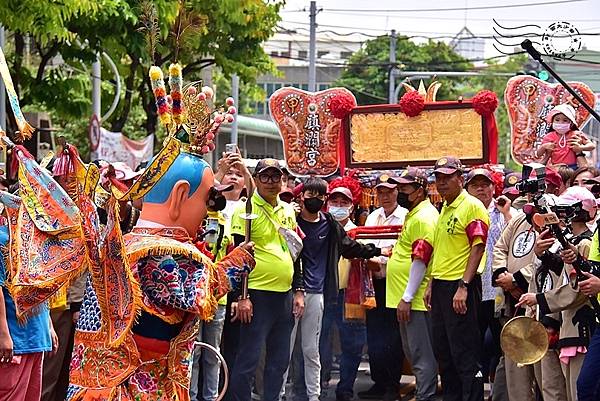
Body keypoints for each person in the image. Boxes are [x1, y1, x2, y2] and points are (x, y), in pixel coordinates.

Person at [283, 177, 387, 401]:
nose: (316, 199)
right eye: (312, 194)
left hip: (319, 294)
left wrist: (376, 249)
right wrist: (297, 288)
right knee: (287, 348)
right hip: (292, 294)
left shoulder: (329, 223)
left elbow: (350, 247)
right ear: (302, 197)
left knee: (312, 350)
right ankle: (281, 393)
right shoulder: (291, 221)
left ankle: (314, 396)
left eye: (321, 196)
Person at [228, 158, 304, 401]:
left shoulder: (288, 210)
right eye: (265, 177)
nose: (271, 182)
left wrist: (299, 290)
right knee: (248, 360)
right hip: (256, 296)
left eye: (276, 176)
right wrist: (242, 297)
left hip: (284, 295)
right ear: (257, 179)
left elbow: (295, 253)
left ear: (282, 179)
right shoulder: (245, 210)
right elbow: (237, 257)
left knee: (279, 361)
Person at [517, 186, 597, 401]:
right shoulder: (573, 243)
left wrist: (540, 300)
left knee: (579, 391)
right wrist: (542, 255)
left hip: (582, 328)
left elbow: (577, 288)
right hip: (568, 326)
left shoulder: (585, 244)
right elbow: (562, 275)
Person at [425, 156, 489, 401]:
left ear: (460, 179)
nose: (442, 183)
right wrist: (431, 282)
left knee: (464, 354)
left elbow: (478, 246)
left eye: (447, 177)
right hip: (441, 285)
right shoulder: (444, 208)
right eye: (438, 178)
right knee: (444, 352)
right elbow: (442, 250)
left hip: (460, 286)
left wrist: (464, 285)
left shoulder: (471, 206)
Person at [191, 154, 254, 401]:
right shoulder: (198, 218)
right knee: (194, 351)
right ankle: (192, 395)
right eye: (229, 175)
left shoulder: (237, 216)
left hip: (220, 296)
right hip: (195, 293)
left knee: (213, 351)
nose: (218, 196)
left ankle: (210, 397)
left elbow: (252, 196)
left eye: (238, 177)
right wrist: (220, 170)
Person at [386, 167, 439, 401]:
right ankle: (423, 391)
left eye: (404, 189)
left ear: (419, 191)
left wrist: (407, 297)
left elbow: (421, 259)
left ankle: (425, 394)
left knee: (421, 354)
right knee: (413, 352)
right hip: (407, 297)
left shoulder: (424, 217)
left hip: (414, 300)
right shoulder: (416, 213)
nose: (399, 193)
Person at [464, 168, 513, 392]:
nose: (481, 188)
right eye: (476, 185)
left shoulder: (503, 211)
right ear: (468, 189)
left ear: (494, 187)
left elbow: (513, 242)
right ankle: (475, 391)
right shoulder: (464, 212)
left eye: (486, 184)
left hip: (497, 290)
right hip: (472, 288)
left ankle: (500, 392)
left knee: (501, 344)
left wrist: (507, 214)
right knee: (472, 344)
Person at [360, 173, 407, 401]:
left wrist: (378, 260)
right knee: (375, 333)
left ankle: (392, 384)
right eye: (381, 192)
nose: (385, 196)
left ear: (397, 192)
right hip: (372, 282)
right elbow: (367, 246)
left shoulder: (405, 216)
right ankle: (378, 381)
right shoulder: (372, 217)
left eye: (389, 191)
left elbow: (401, 251)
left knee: (393, 335)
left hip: (393, 281)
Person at [0, 222, 58, 401]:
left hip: (35, 336)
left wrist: (48, 325)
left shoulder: (35, 235)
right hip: (15, 339)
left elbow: (41, 286)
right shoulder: (3, 237)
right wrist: (3, 335)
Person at [536, 103, 595, 169]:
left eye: (565, 120)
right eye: (557, 120)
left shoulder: (576, 134)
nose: (560, 123)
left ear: (571, 123)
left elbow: (592, 146)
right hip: (555, 168)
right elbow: (538, 154)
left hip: (573, 168)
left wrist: (581, 148)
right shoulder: (549, 136)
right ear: (552, 121)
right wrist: (544, 147)